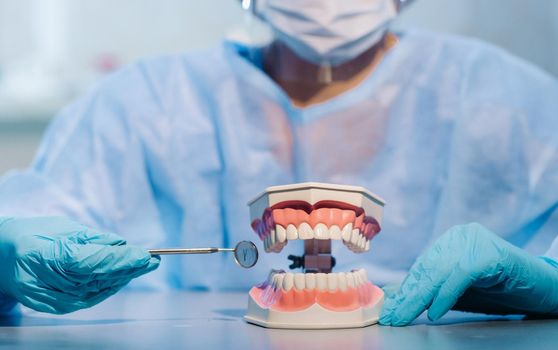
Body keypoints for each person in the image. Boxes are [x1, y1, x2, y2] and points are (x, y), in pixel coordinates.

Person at [1, 0, 558, 325]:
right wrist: (6, 256)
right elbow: (34, 219)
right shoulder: (139, 103)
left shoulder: (507, 100)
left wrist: (549, 281)